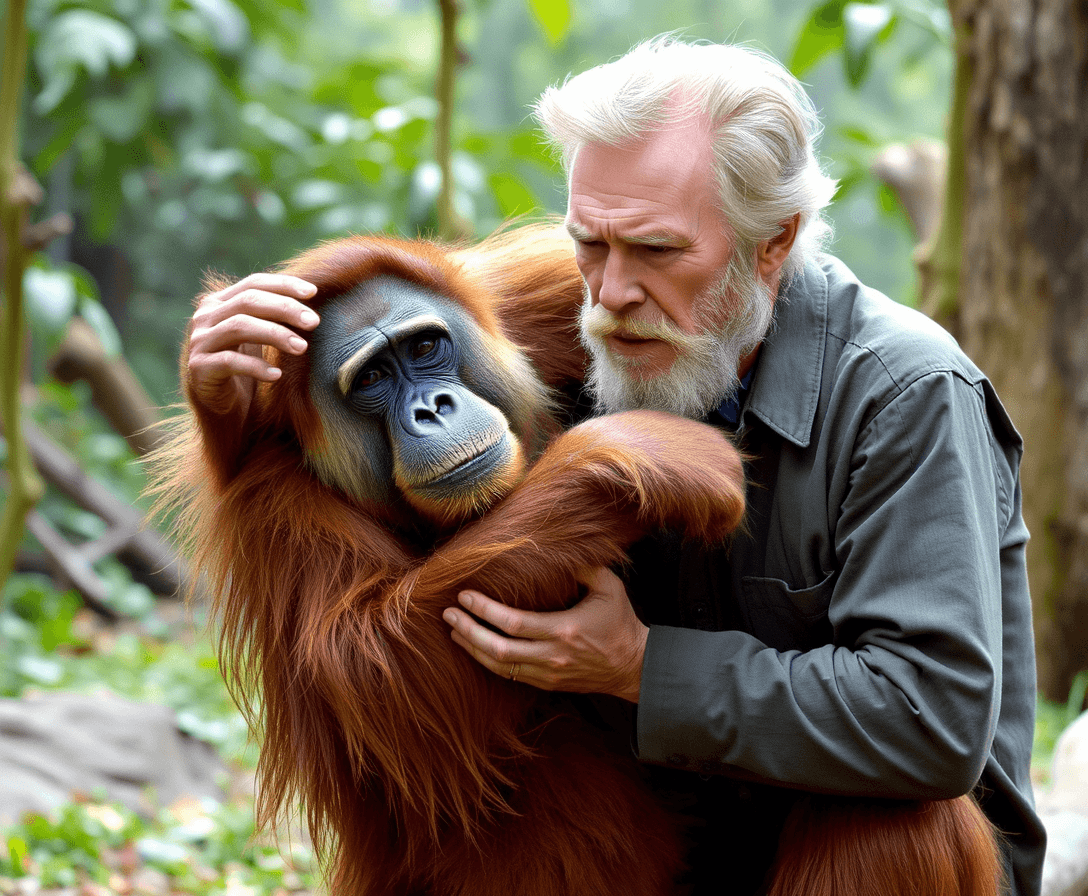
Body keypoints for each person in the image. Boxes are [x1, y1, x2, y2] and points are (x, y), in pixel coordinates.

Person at [186, 38, 1044, 895]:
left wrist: (641, 666)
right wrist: (230, 423)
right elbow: (367, 691)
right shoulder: (582, 310)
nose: (612, 294)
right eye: (587, 244)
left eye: (659, 251)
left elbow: (931, 724)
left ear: (772, 243)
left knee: (898, 830)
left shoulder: (902, 392)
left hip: (854, 846)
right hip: (661, 839)